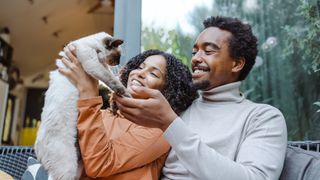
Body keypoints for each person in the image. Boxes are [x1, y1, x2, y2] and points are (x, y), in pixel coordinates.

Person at [114, 16, 288, 180]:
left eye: (209, 51)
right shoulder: (179, 108)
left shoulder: (263, 117)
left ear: (236, 64)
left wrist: (170, 123)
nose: (196, 58)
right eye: (194, 51)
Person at [59, 48, 198, 179]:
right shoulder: (101, 115)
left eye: (154, 74)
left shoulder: (159, 131)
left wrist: (88, 92)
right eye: (140, 67)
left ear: (167, 92)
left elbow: (99, 164)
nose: (140, 73)